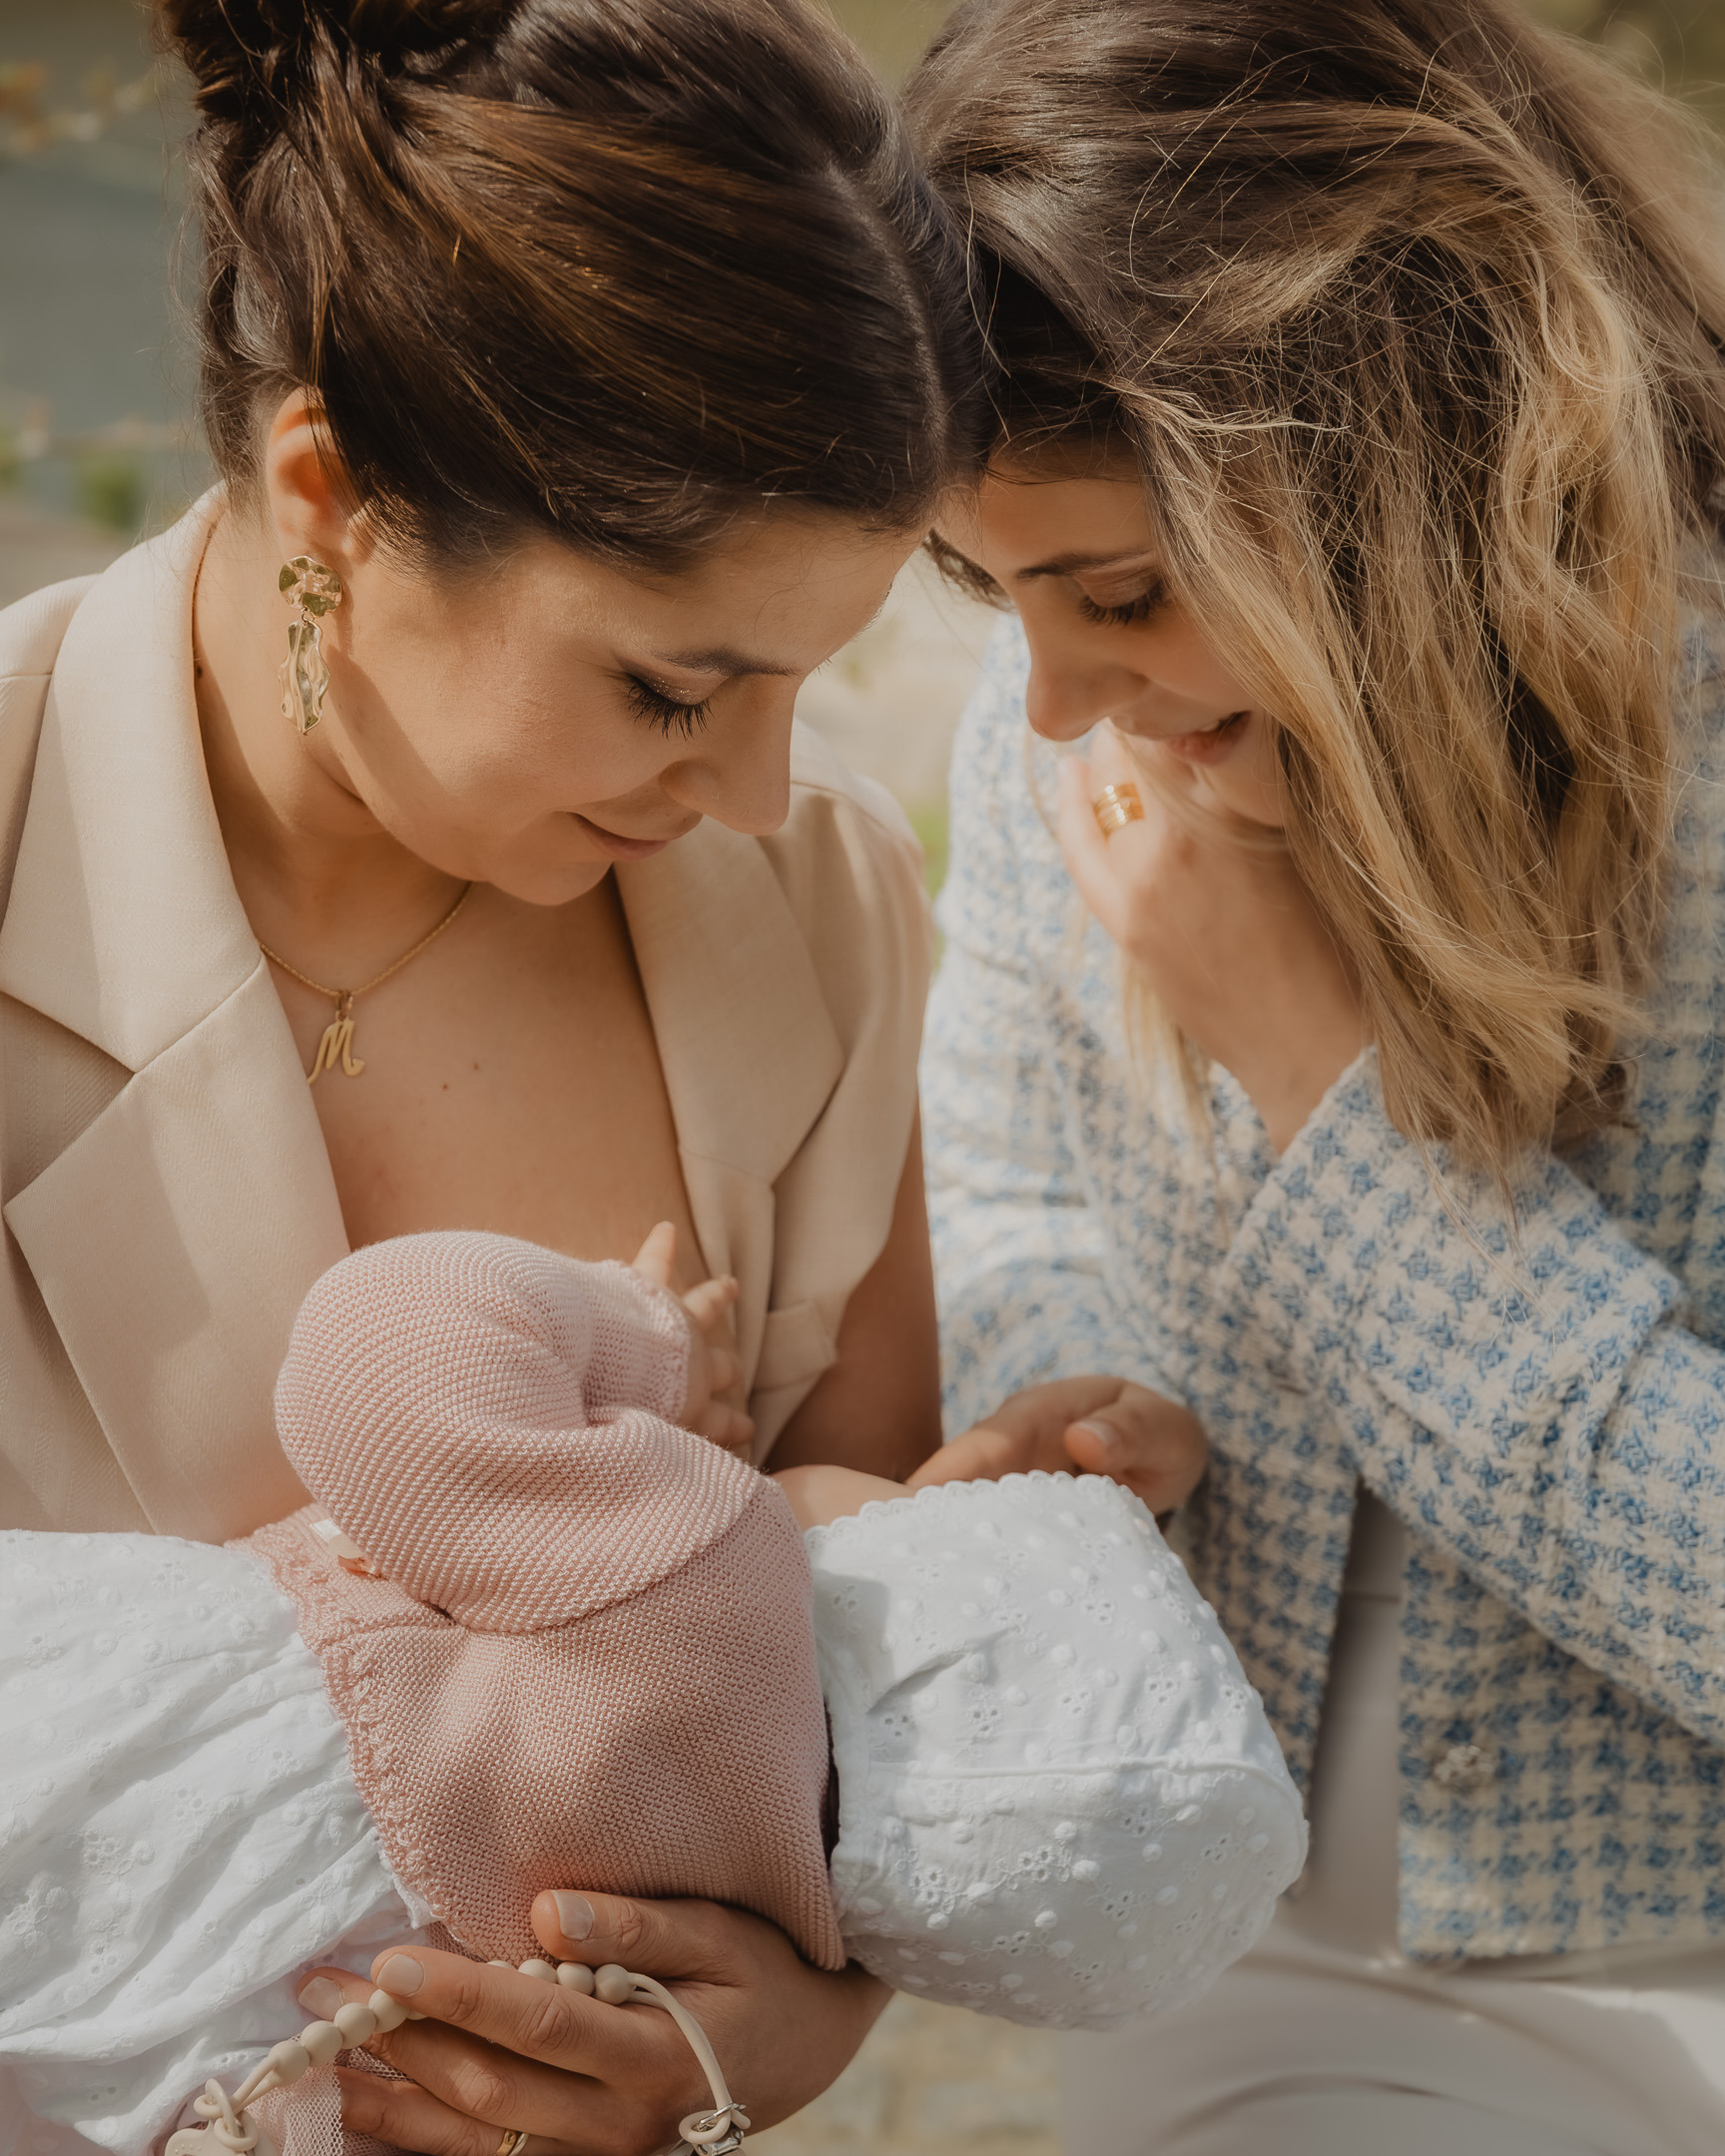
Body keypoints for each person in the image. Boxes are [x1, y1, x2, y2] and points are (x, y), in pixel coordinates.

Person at [0, 0, 988, 2145]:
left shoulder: (819, 918)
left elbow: (877, 1706)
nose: (761, 792)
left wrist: (774, 2029)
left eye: (808, 684)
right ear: (332, 494)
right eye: (673, 689)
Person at [906, 1, 1725, 2148]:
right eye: (995, 593)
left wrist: (1309, 1071)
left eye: (1118, 590)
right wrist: (1072, 1397)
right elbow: (1007, 1184)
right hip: (1219, 1928)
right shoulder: (1067, 736)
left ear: (1390, 454)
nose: (1052, 697)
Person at [0, 1228, 1304, 2154]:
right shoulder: (744, 1928)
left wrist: (651, 1341)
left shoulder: (711, 1574)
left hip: (92, 1745)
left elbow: (375, 1349)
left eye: (934, 1510)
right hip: (164, 2036)